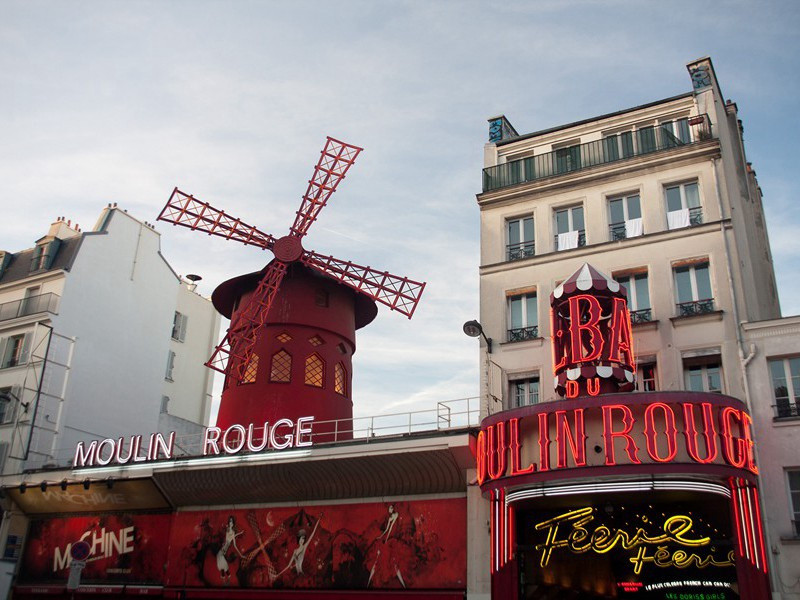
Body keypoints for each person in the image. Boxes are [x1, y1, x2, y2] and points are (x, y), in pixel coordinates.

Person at [276, 513, 323, 578]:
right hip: (298, 574)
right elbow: (288, 566)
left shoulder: (304, 547)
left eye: (303, 539)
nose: (302, 540)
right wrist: (278, 574)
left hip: (301, 573)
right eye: (301, 538)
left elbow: (312, 534)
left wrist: (318, 520)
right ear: (298, 539)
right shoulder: (295, 551)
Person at [216, 516, 244, 584]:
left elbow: (235, 545)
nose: (231, 523)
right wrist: (238, 533)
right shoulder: (228, 530)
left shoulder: (233, 532)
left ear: (233, 523)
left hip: (223, 552)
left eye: (232, 522)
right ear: (229, 523)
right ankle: (224, 582)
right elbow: (229, 536)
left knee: (224, 566)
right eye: (230, 521)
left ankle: (227, 581)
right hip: (222, 551)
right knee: (222, 566)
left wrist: (241, 555)